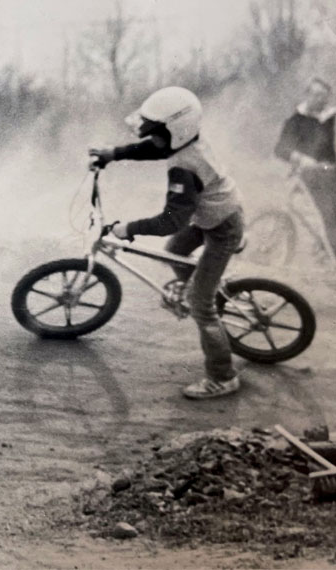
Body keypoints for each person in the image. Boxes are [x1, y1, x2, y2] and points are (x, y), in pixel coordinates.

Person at [89, 86, 244, 400]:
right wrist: (113, 153)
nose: (154, 139)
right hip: (216, 213)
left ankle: (223, 376)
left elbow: (171, 221)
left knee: (202, 306)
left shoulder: (183, 168)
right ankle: (202, 286)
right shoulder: (187, 142)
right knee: (175, 252)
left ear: (175, 131)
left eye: (157, 133)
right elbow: (155, 148)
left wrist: (126, 228)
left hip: (221, 227)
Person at [274, 77, 336, 255]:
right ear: (307, 95)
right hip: (307, 175)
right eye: (316, 94)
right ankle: (323, 248)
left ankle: (326, 249)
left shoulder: (331, 119)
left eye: (324, 95)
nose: (320, 99)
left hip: (330, 174)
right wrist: (301, 158)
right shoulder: (297, 120)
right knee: (317, 214)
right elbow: (280, 148)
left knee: (329, 216)